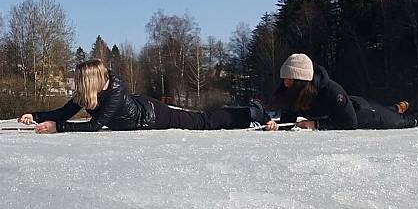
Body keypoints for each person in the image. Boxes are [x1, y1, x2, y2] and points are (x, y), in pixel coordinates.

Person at [18, 59, 271, 133]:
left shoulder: (114, 92)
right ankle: (248, 112)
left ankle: (250, 113)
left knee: (202, 121)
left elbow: (95, 125)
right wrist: (37, 115)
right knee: (201, 119)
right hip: (141, 105)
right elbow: (64, 112)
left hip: (151, 116)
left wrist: (57, 128)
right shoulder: (88, 94)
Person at [265, 53, 418, 131]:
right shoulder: (293, 92)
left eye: (290, 79)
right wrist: (276, 125)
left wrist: (316, 125)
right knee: (394, 110)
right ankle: (399, 106)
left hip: (366, 115)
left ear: (301, 80)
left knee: (409, 121)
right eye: (284, 78)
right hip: (351, 103)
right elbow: (289, 118)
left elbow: (349, 123)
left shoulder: (331, 90)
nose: (285, 83)